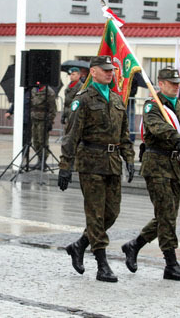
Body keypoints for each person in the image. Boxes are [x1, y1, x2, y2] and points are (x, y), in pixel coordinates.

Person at [58, 55, 135, 282]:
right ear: (93, 72)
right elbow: (71, 136)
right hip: (90, 162)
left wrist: (129, 159)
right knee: (95, 215)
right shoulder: (82, 99)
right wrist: (65, 166)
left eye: (111, 70)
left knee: (112, 213)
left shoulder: (116, 98)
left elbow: (124, 135)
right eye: (105, 70)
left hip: (112, 163)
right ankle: (102, 264)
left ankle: (80, 245)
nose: (110, 73)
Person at [121, 68, 180, 281]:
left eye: (178, 84)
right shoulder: (152, 105)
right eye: (172, 83)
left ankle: (134, 245)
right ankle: (170, 264)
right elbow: (157, 127)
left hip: (173, 165)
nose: (176, 87)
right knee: (166, 214)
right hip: (156, 164)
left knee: (168, 214)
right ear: (161, 84)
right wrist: (177, 138)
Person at [30, 83, 56, 169]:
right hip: (34, 118)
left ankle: (43, 161)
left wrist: (50, 121)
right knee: (35, 141)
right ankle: (39, 159)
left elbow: (53, 108)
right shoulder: (33, 90)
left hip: (43, 120)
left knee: (43, 141)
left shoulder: (49, 92)